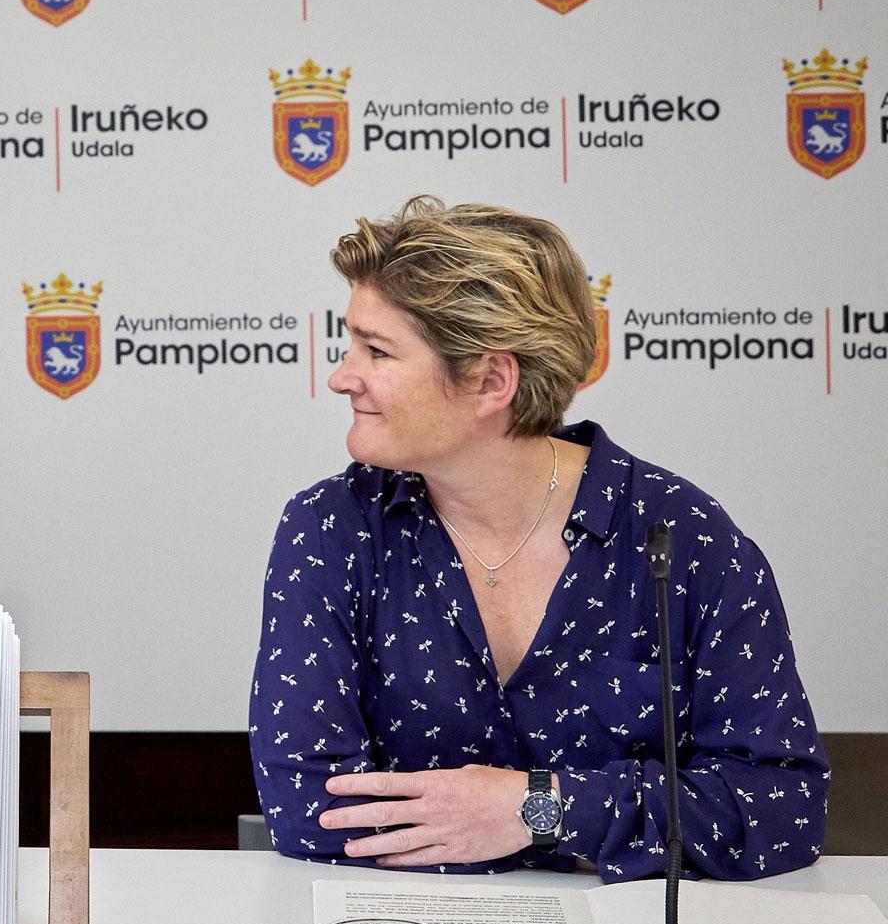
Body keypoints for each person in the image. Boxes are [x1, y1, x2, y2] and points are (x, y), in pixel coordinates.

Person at [248, 197, 826, 881]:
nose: (342, 376)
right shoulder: (333, 529)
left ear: (492, 380)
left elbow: (781, 808)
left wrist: (533, 810)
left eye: (377, 351)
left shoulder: (683, 539)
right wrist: (600, 827)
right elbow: (307, 808)